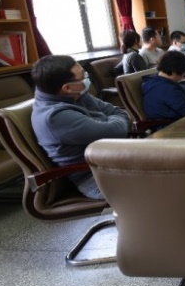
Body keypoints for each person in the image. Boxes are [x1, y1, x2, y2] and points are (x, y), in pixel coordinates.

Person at [31, 55, 130, 200]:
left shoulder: (76, 94)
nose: (87, 78)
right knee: (163, 180)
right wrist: (109, 120)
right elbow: (117, 131)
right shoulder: (55, 117)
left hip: (115, 162)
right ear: (67, 88)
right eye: (83, 76)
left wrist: (110, 121)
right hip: (96, 178)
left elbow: (118, 113)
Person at [142, 51, 185, 122]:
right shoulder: (170, 90)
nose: (182, 77)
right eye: (183, 74)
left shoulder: (149, 82)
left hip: (161, 124)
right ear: (174, 72)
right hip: (172, 125)